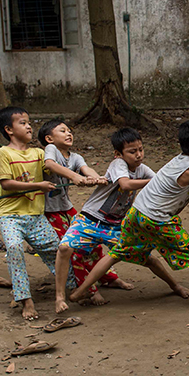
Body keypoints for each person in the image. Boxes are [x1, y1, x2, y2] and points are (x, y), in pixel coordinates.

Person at [69, 120, 189, 311]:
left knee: (116, 253)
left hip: (136, 214)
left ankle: (81, 291)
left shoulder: (177, 161)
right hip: (158, 220)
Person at [52, 127, 154, 314]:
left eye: (141, 149)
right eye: (132, 151)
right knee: (65, 248)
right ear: (118, 154)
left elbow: (158, 184)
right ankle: (60, 297)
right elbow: (126, 184)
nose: (138, 155)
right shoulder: (118, 165)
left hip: (116, 225)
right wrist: (156, 182)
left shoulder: (142, 169)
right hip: (90, 219)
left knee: (146, 256)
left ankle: (174, 286)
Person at [40, 119, 132, 311]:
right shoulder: (51, 150)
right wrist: (75, 177)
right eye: (62, 130)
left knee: (94, 244)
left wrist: (95, 178)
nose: (68, 133)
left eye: (70, 130)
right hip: (50, 211)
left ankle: (108, 278)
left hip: (67, 207)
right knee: (72, 249)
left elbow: (86, 169)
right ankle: (88, 290)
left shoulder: (75, 156)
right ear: (49, 138)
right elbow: (50, 165)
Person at [0, 106, 66, 321]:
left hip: (35, 216)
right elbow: (6, 184)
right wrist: (37, 186)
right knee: (14, 248)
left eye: (29, 122)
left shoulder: (39, 153)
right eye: (22, 123)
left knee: (56, 249)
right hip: (10, 215)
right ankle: (25, 300)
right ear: (9, 129)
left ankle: (73, 286)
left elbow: (56, 169)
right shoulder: (3, 153)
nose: (28, 126)